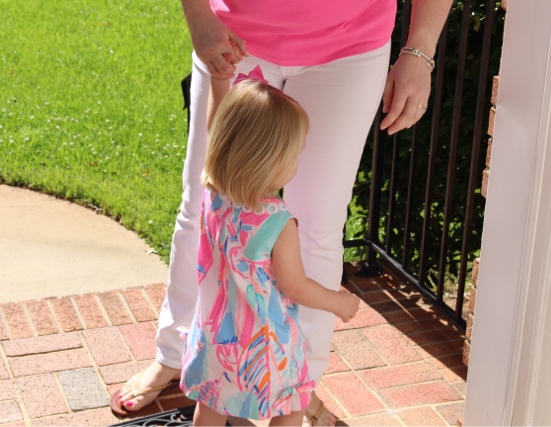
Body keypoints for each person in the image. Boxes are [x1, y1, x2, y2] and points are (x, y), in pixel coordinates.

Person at [111, 0, 453, 425]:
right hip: (235, 37)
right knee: (200, 211)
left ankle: (298, 381)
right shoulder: (279, 223)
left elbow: (219, 136)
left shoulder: (250, 208)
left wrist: (420, 50)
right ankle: (179, 355)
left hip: (349, 46)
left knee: (317, 226)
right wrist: (200, 17)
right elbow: (295, 284)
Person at [181, 68, 361, 426]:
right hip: (264, 345)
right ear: (269, 159)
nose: (297, 163)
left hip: (215, 335)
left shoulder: (214, 194)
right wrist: (339, 302)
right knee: (292, 403)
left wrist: (219, 82)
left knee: (213, 399)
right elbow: (296, 286)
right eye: (295, 155)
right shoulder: (276, 221)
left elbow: (217, 126)